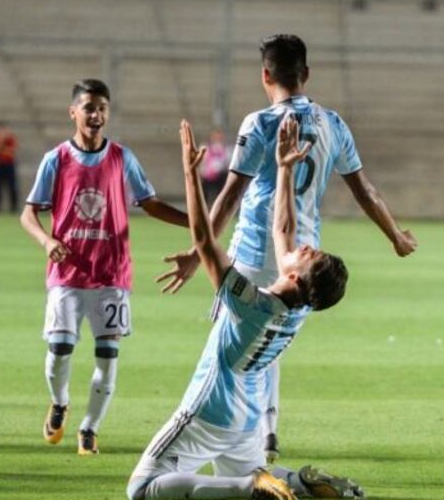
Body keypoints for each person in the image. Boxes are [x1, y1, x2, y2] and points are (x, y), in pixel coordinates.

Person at [159, 35, 417, 461]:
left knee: (234, 342)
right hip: (300, 252)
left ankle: (234, 435)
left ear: (265, 75)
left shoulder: (260, 123)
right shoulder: (333, 123)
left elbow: (230, 196)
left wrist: (196, 252)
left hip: (254, 247)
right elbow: (365, 190)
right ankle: (268, 432)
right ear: (306, 74)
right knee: (270, 339)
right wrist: (395, 236)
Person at [127, 118, 364, 500]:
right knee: (257, 477)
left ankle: (249, 488)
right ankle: (301, 484)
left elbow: (205, 240)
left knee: (142, 489)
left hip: (209, 412)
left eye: (310, 254)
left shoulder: (251, 304)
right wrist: (284, 169)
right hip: (247, 421)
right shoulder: (298, 308)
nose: (305, 246)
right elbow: (283, 228)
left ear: (296, 278)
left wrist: (190, 174)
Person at [20, 79, 189, 456]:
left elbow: (150, 203)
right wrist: (47, 241)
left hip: (111, 275)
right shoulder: (56, 159)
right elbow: (28, 213)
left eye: (102, 108)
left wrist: (194, 223)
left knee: (107, 356)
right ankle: (60, 402)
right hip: (67, 274)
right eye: (88, 108)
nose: (96, 115)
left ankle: (89, 428)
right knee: (59, 349)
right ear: (73, 112)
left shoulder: (122, 158)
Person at [0, 121, 19, 212]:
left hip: (9, 164)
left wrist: (2, 150)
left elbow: (12, 152)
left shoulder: (11, 139)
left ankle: (14, 206)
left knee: (12, 186)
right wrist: (1, 143)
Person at [200, 128, 229, 205]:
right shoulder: (206, 147)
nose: (218, 139)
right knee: (204, 195)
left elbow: (226, 162)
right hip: (207, 176)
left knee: (220, 194)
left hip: (220, 176)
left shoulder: (225, 148)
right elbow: (203, 162)